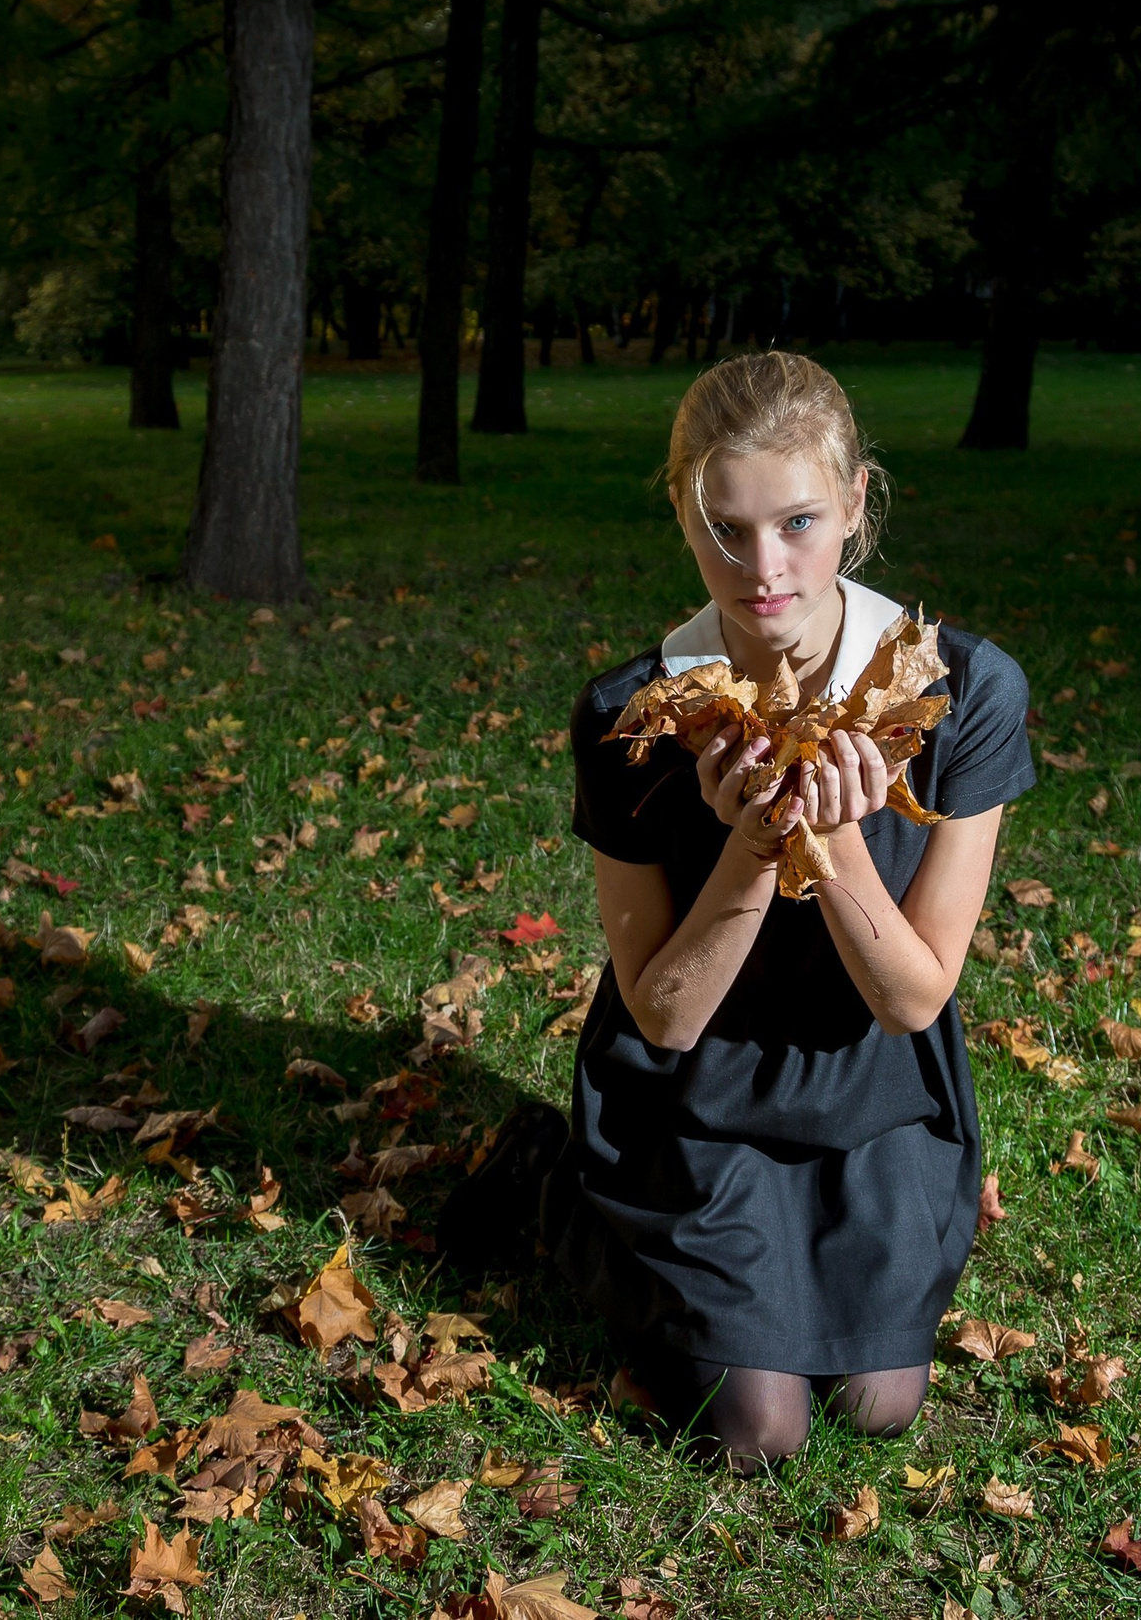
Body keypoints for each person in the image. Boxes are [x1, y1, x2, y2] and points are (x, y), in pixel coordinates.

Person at [440, 351, 1035, 1467]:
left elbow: (914, 1000)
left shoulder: (964, 690)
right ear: (680, 511)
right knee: (760, 1432)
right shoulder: (632, 713)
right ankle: (558, 1187)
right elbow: (662, 1014)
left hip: (875, 1087)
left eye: (799, 521)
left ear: (856, 501)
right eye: (723, 527)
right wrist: (754, 849)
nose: (762, 568)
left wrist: (840, 843)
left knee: (879, 1406)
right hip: (692, 1092)